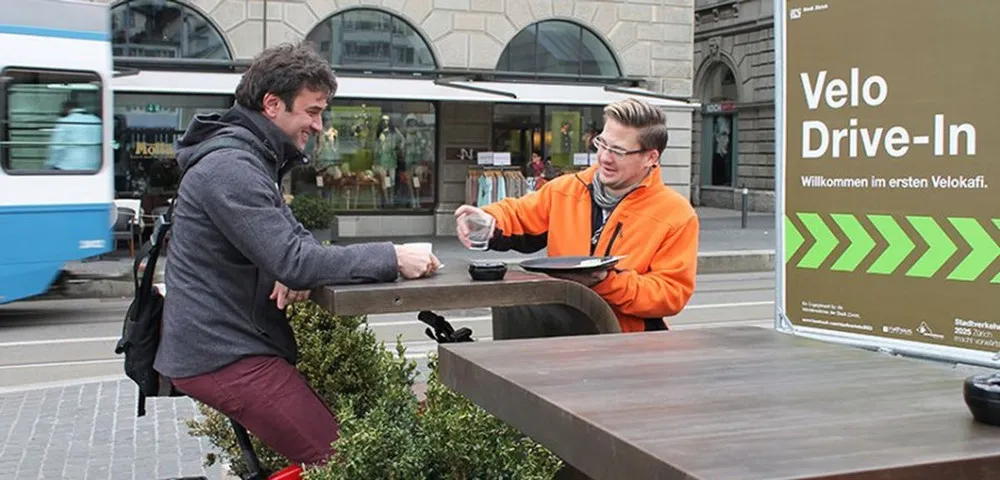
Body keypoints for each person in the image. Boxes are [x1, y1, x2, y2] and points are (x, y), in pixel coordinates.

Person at [154, 42, 440, 467]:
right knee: (349, 462)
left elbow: (293, 248)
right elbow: (296, 259)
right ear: (272, 104)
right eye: (312, 111)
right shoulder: (232, 167)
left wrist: (285, 267)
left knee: (335, 452)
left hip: (228, 345)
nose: (320, 125)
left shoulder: (249, 157)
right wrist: (393, 256)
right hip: (224, 354)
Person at [456, 97, 698, 334]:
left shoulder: (676, 214)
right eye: (602, 143)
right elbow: (518, 214)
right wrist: (487, 219)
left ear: (650, 157)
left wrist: (604, 280)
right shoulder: (565, 189)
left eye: (618, 151)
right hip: (562, 338)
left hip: (628, 350)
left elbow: (670, 294)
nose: (604, 157)